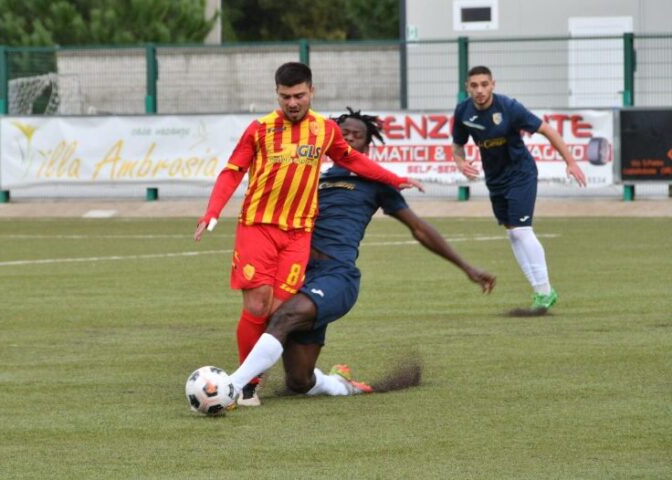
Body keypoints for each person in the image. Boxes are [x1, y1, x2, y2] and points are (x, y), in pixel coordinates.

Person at [193, 63, 424, 405]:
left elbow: (353, 160)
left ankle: (272, 379)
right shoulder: (259, 130)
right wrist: (213, 211)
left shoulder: (325, 130)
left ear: (311, 92)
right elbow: (232, 171)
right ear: (277, 95)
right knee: (257, 303)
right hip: (259, 225)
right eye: (286, 96)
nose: (293, 103)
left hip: (299, 233)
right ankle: (247, 386)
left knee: (277, 309)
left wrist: (392, 178)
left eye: (299, 95)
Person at [227, 108, 496, 402]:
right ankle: (340, 384)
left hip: (336, 277)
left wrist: (466, 267)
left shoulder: (375, 182)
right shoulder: (310, 175)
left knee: (284, 315)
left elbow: (418, 228)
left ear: (368, 145)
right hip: (298, 274)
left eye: (358, 135)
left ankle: (234, 386)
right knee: (299, 381)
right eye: (344, 134)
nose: (350, 139)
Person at [451, 66, 586, 312]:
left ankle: (545, 291)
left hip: (521, 174)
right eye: (474, 85)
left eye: (484, 84)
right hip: (495, 179)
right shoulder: (463, 111)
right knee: (513, 233)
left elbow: (547, 130)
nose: (480, 90)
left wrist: (571, 162)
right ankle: (539, 291)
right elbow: (457, 145)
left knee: (522, 231)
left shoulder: (509, 108)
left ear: (493, 84)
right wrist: (460, 162)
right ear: (467, 87)